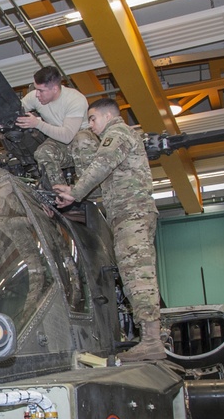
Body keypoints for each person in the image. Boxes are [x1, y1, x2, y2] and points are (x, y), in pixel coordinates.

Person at [53, 98, 165, 362]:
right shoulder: (114, 137)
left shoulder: (118, 133)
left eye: (92, 119)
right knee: (131, 272)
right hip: (125, 214)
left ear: (106, 116)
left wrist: (76, 192)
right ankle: (150, 339)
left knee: (137, 274)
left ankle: (151, 341)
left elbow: (101, 165)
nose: (90, 125)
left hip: (132, 212)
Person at [0, 65, 98, 189]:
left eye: (41, 90)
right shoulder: (35, 97)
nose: (37, 94)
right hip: (59, 139)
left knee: (82, 139)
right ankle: (59, 194)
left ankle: (90, 191)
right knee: (42, 153)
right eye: (36, 89)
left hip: (82, 138)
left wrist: (37, 124)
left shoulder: (75, 100)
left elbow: (67, 136)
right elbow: (12, 113)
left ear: (55, 89)